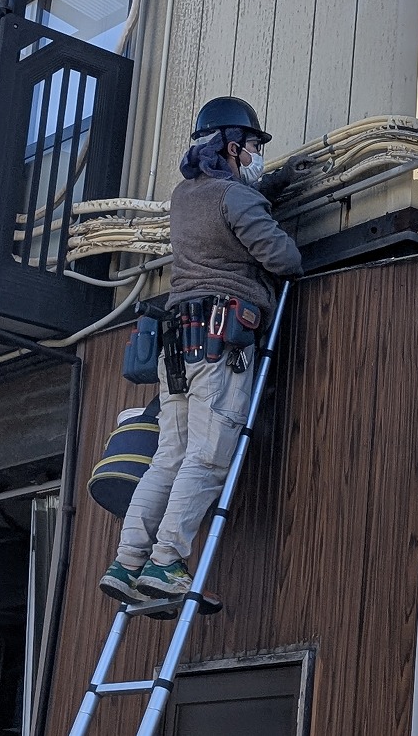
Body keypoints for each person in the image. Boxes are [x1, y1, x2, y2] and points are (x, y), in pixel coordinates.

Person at [100, 96, 303, 604]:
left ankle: (127, 565)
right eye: (253, 146)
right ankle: (166, 564)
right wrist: (263, 206)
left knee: (168, 455)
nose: (256, 155)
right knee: (209, 456)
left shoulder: (183, 196)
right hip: (219, 338)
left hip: (176, 342)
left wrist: (256, 194)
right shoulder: (234, 199)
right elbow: (284, 258)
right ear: (232, 145)